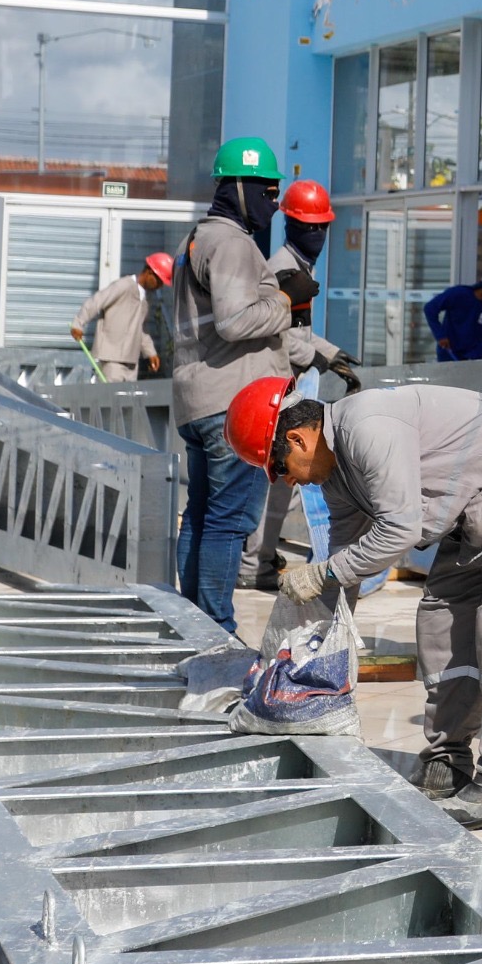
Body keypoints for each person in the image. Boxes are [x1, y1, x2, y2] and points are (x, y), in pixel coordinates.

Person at [250, 380, 482, 830]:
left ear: (297, 438)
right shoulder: (336, 476)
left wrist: (323, 573)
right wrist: (304, 651)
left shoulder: (367, 428)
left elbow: (398, 531)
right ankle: (448, 758)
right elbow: (347, 562)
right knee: (442, 617)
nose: (287, 480)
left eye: (281, 468)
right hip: (473, 505)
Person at [169, 136, 329, 632]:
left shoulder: (195, 238)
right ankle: (216, 628)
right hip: (232, 404)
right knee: (227, 522)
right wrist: (284, 299)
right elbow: (236, 322)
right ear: (237, 188)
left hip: (198, 400)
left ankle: (192, 623)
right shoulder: (234, 243)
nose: (272, 201)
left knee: (198, 516)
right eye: (265, 190)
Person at [242, 178, 362, 595]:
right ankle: (254, 562)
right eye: (309, 227)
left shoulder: (300, 267)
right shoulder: (281, 270)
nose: (317, 235)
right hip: (280, 385)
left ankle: (262, 555)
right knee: (279, 480)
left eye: (322, 227)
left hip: (295, 381)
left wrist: (334, 352)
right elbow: (279, 333)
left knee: (285, 487)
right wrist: (321, 357)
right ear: (291, 226)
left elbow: (303, 332)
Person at [72, 253, 171, 382]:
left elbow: (140, 330)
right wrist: (78, 323)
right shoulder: (124, 286)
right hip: (112, 360)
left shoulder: (144, 301)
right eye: (159, 280)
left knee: (127, 401)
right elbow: (97, 301)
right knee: (109, 399)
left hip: (131, 362)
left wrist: (150, 352)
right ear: (149, 272)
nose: (159, 286)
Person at [424, 265, 482, 361]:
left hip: (472, 360)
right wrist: (440, 336)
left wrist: (475, 355)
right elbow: (430, 309)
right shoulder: (458, 294)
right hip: (448, 355)